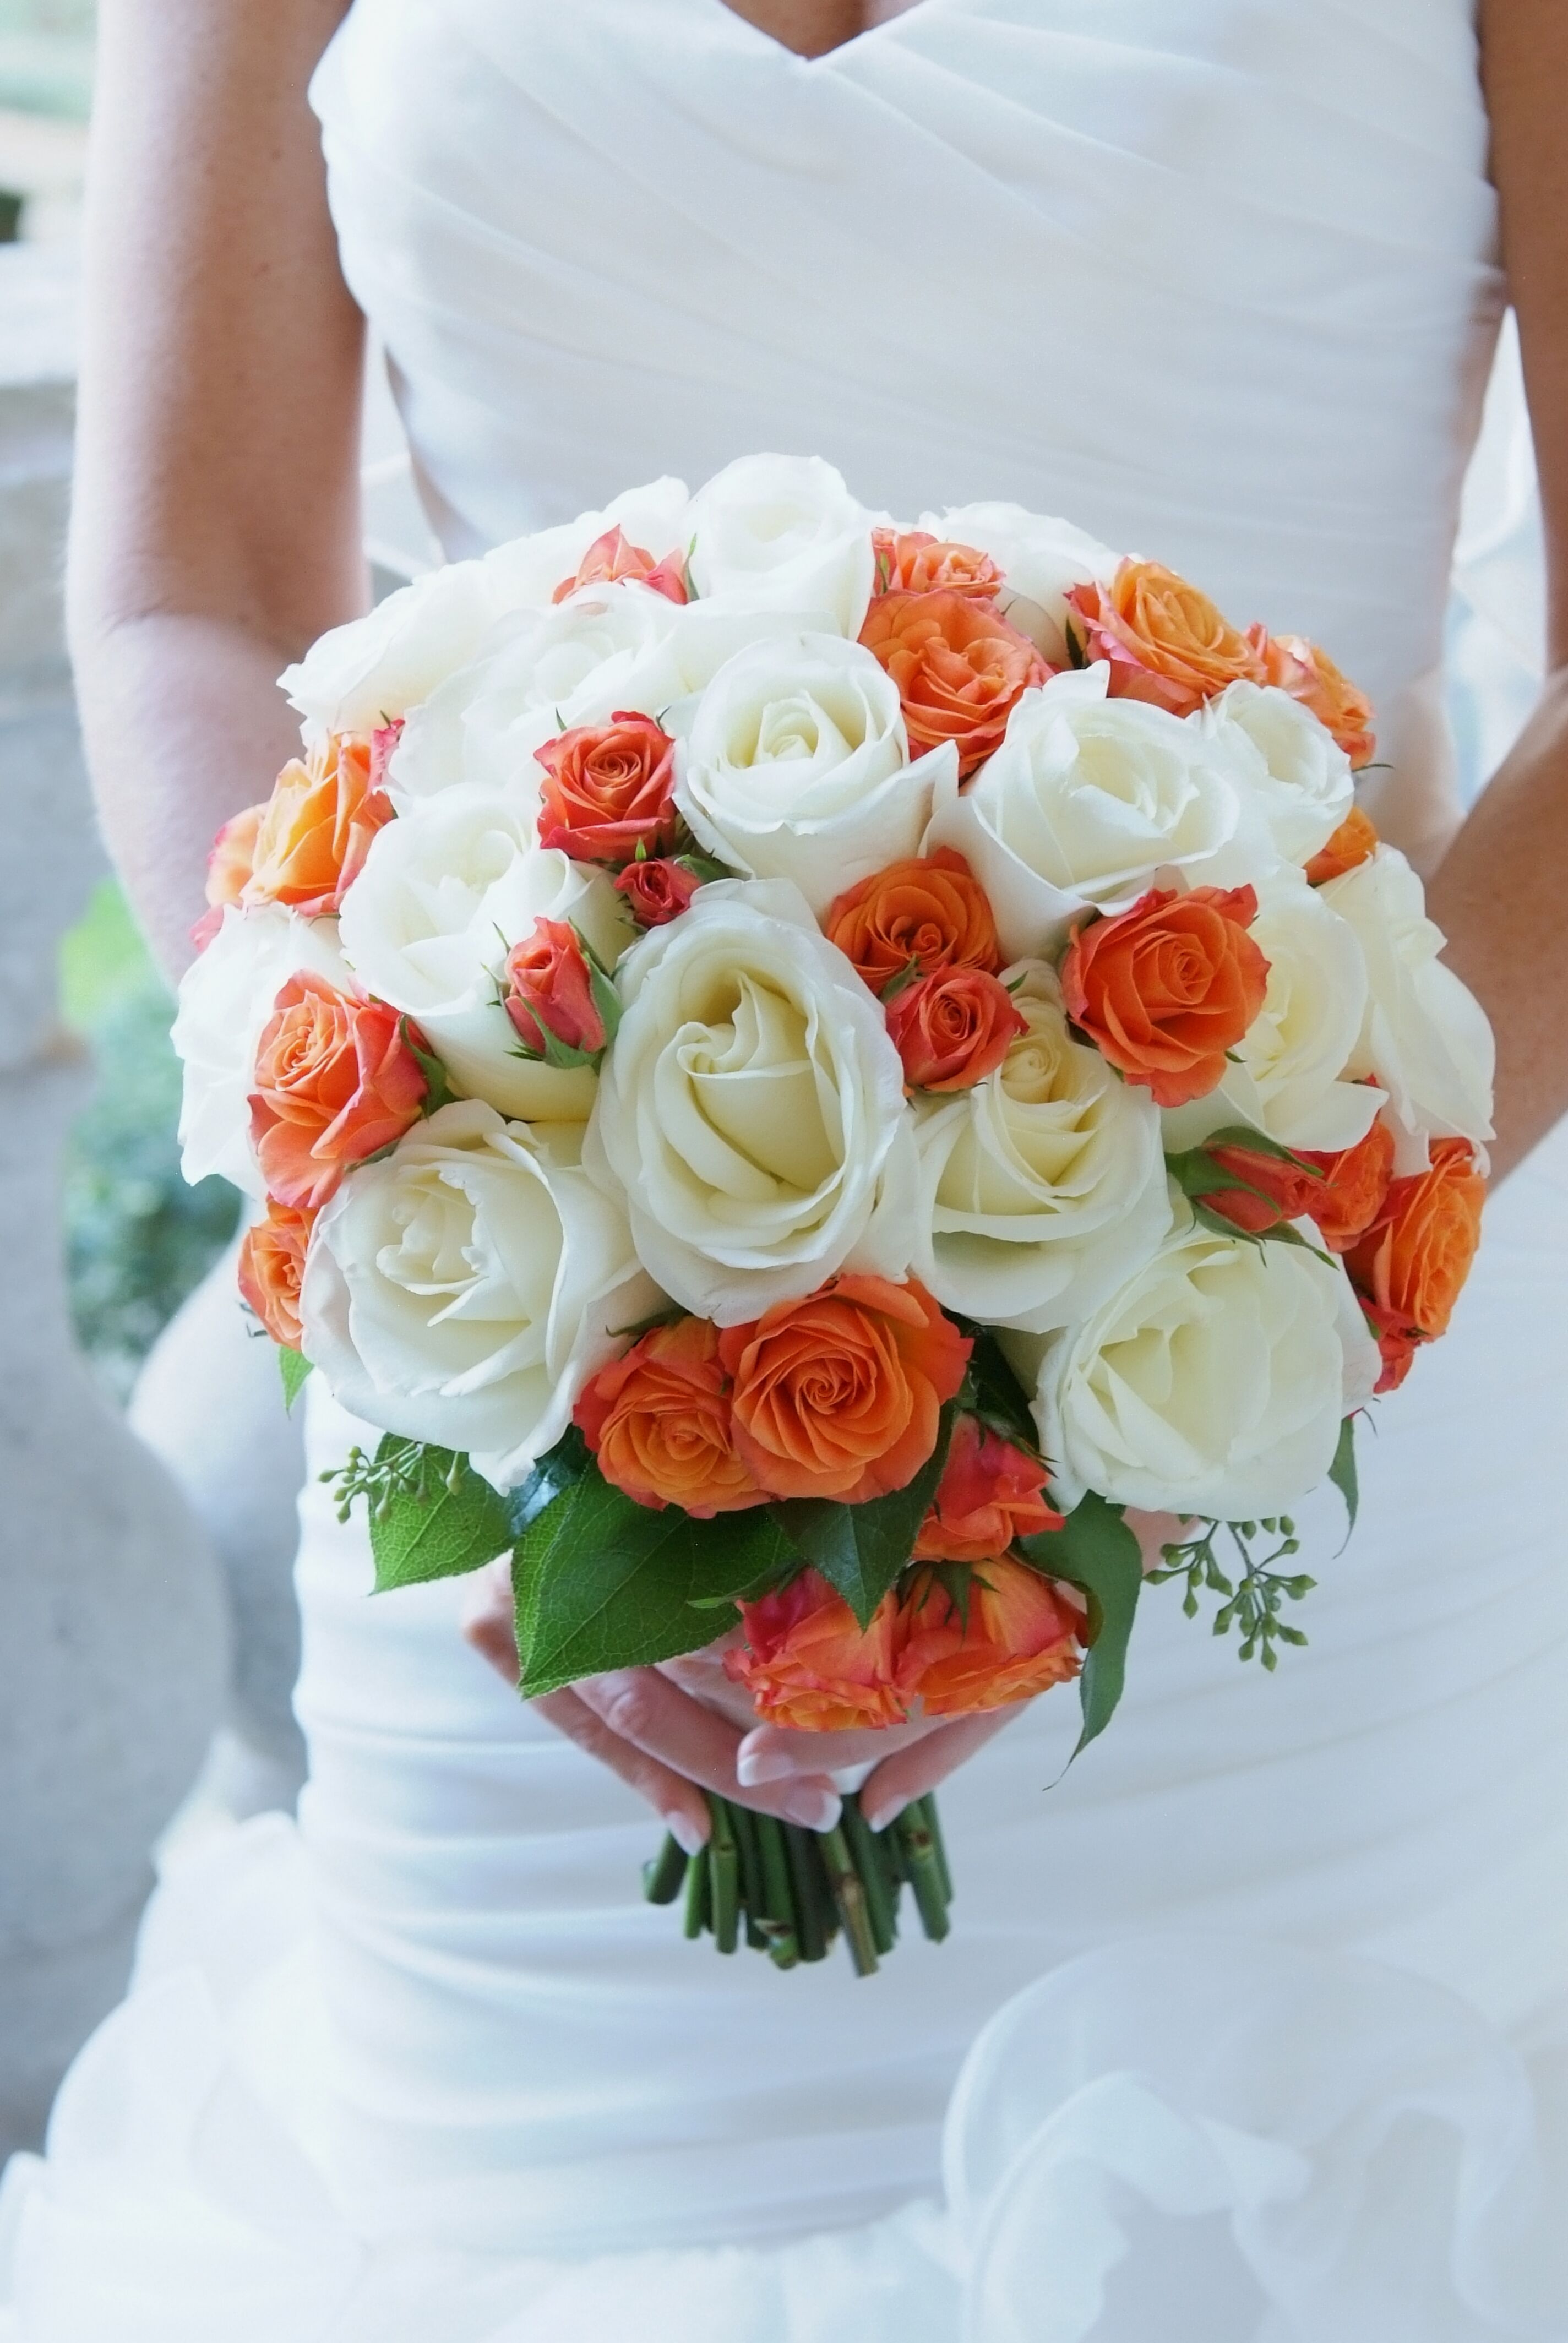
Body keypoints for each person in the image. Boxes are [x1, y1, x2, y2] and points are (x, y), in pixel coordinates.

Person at [2, 1, 1565, 2333]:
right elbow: (193, 585)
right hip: (520, 1433)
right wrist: (426, 1235)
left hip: (1282, 1420)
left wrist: (1211, 1315)